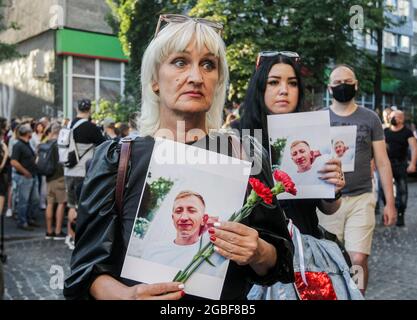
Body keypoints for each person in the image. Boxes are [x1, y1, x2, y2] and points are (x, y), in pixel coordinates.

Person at [64, 14, 294, 300]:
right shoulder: (119, 158)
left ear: (217, 80)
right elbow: (87, 271)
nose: (196, 77)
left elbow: (279, 261)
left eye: (208, 65)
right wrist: (127, 296)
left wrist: (258, 251)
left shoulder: (244, 154)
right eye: (180, 62)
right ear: (154, 80)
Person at [240, 51, 345, 239]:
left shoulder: (313, 133)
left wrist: (334, 189)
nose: (284, 90)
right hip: (253, 255)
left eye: (292, 83)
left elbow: (328, 209)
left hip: (305, 252)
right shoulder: (236, 135)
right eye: (273, 82)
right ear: (260, 86)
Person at [317, 64, 396, 294]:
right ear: (330, 88)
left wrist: (389, 203)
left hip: (362, 197)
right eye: (338, 83)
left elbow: (382, 161)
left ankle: (357, 296)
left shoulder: (370, 118)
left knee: (358, 258)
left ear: (356, 85)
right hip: (328, 200)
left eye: (348, 82)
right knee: (329, 261)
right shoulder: (319, 117)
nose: (343, 86)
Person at [141, 191, 226, 277]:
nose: (184, 217)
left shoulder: (213, 254)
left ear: (204, 219)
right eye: (178, 211)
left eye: (192, 211)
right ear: (173, 218)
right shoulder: (152, 250)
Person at [64, 99, 106, 250]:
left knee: (71, 205)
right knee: (80, 206)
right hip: (82, 172)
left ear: (77, 108)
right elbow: (104, 144)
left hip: (68, 170)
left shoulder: (68, 125)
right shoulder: (90, 127)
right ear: (89, 110)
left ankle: (70, 235)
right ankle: (78, 238)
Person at [384, 110, 417, 226]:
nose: (393, 119)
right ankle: (388, 212)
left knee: (402, 190)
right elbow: (381, 149)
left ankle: (400, 215)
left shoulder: (407, 132)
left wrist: (412, 164)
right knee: (384, 191)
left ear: (402, 119)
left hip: (401, 164)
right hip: (387, 165)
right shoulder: (386, 131)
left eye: (396, 117)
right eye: (391, 116)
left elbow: (414, 148)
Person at [10, 124, 40, 231]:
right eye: (31, 132)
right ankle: (22, 222)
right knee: (24, 201)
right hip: (24, 177)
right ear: (27, 133)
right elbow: (13, 162)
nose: (32, 133)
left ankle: (29, 218)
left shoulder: (27, 144)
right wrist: (25, 172)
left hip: (32, 175)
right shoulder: (18, 145)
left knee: (34, 199)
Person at [44, 123, 67, 240]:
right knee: (61, 203)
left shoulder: (45, 143)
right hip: (59, 177)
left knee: (49, 203)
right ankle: (58, 231)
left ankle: (48, 231)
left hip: (48, 178)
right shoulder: (59, 144)